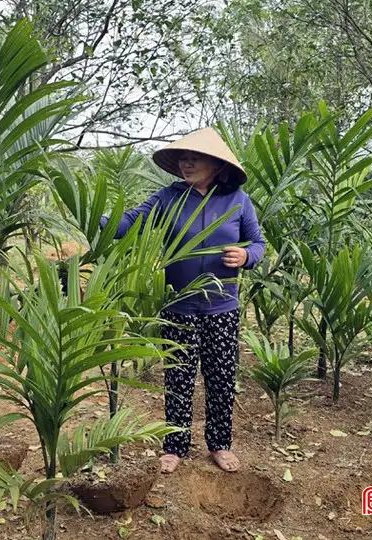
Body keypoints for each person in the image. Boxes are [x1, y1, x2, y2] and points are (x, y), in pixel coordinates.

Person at [100, 127, 265, 474]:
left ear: (216, 165)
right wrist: (96, 218)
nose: (186, 163)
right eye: (183, 158)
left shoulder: (238, 200)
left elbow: (258, 243)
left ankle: (220, 444)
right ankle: (174, 446)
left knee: (220, 377)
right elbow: (128, 223)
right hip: (178, 307)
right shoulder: (167, 198)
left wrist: (246, 255)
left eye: (195, 158)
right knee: (178, 378)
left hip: (222, 307)